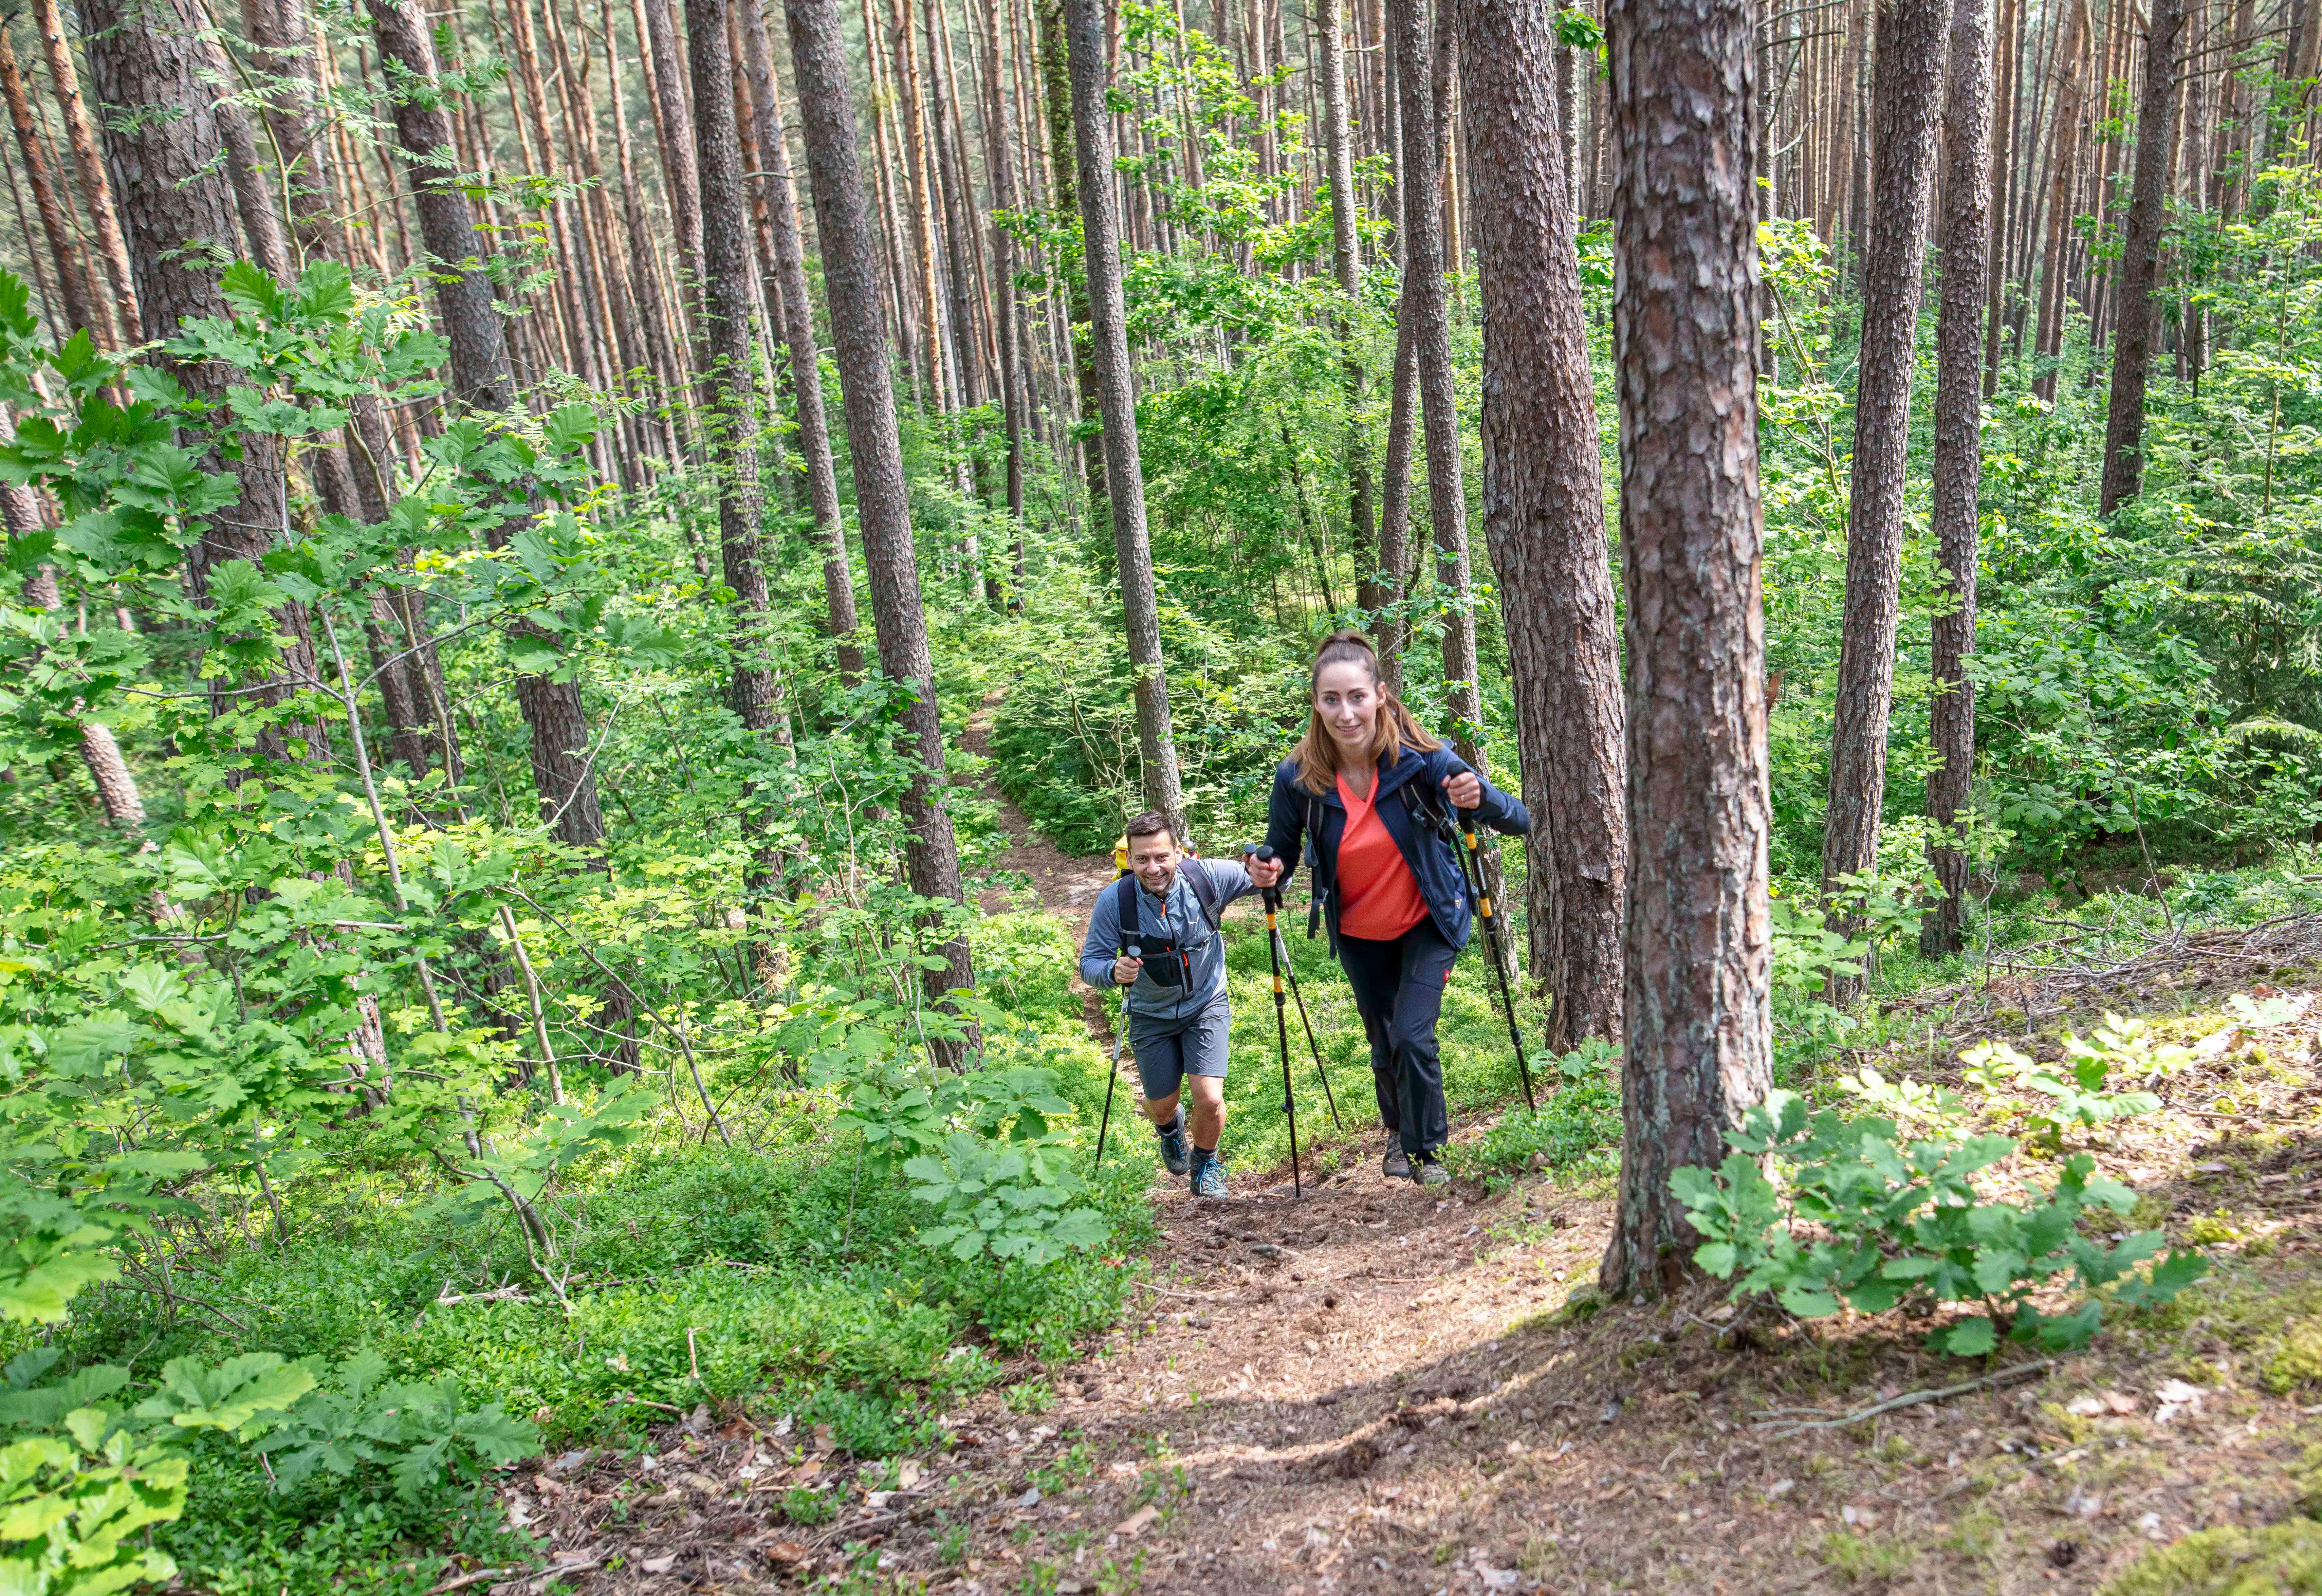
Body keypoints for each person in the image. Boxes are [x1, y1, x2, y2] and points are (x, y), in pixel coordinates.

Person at [1248, 631, 1530, 1187]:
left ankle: (1428, 1151)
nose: (1345, 712)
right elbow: (1279, 851)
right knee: (1383, 1038)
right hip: (1357, 930)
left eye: (1356, 696)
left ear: (1380, 695)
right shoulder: (1299, 780)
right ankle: (1398, 1133)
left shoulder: (1420, 762)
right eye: (1331, 699)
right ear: (1316, 704)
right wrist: (1267, 867)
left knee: (1411, 1034)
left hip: (1429, 920)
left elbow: (1516, 818)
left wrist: (1482, 797)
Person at [1078, 812, 1255, 1198]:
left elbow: (1267, 878)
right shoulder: (1116, 901)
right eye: (1142, 859)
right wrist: (1113, 970)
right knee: (1161, 1105)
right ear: (1130, 861)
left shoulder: (1206, 876)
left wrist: (1274, 867)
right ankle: (1169, 1127)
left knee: (1209, 1097)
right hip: (1150, 1014)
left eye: (1161, 857)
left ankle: (1206, 1165)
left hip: (1206, 1001)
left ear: (1178, 852)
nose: (1153, 868)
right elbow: (1089, 964)